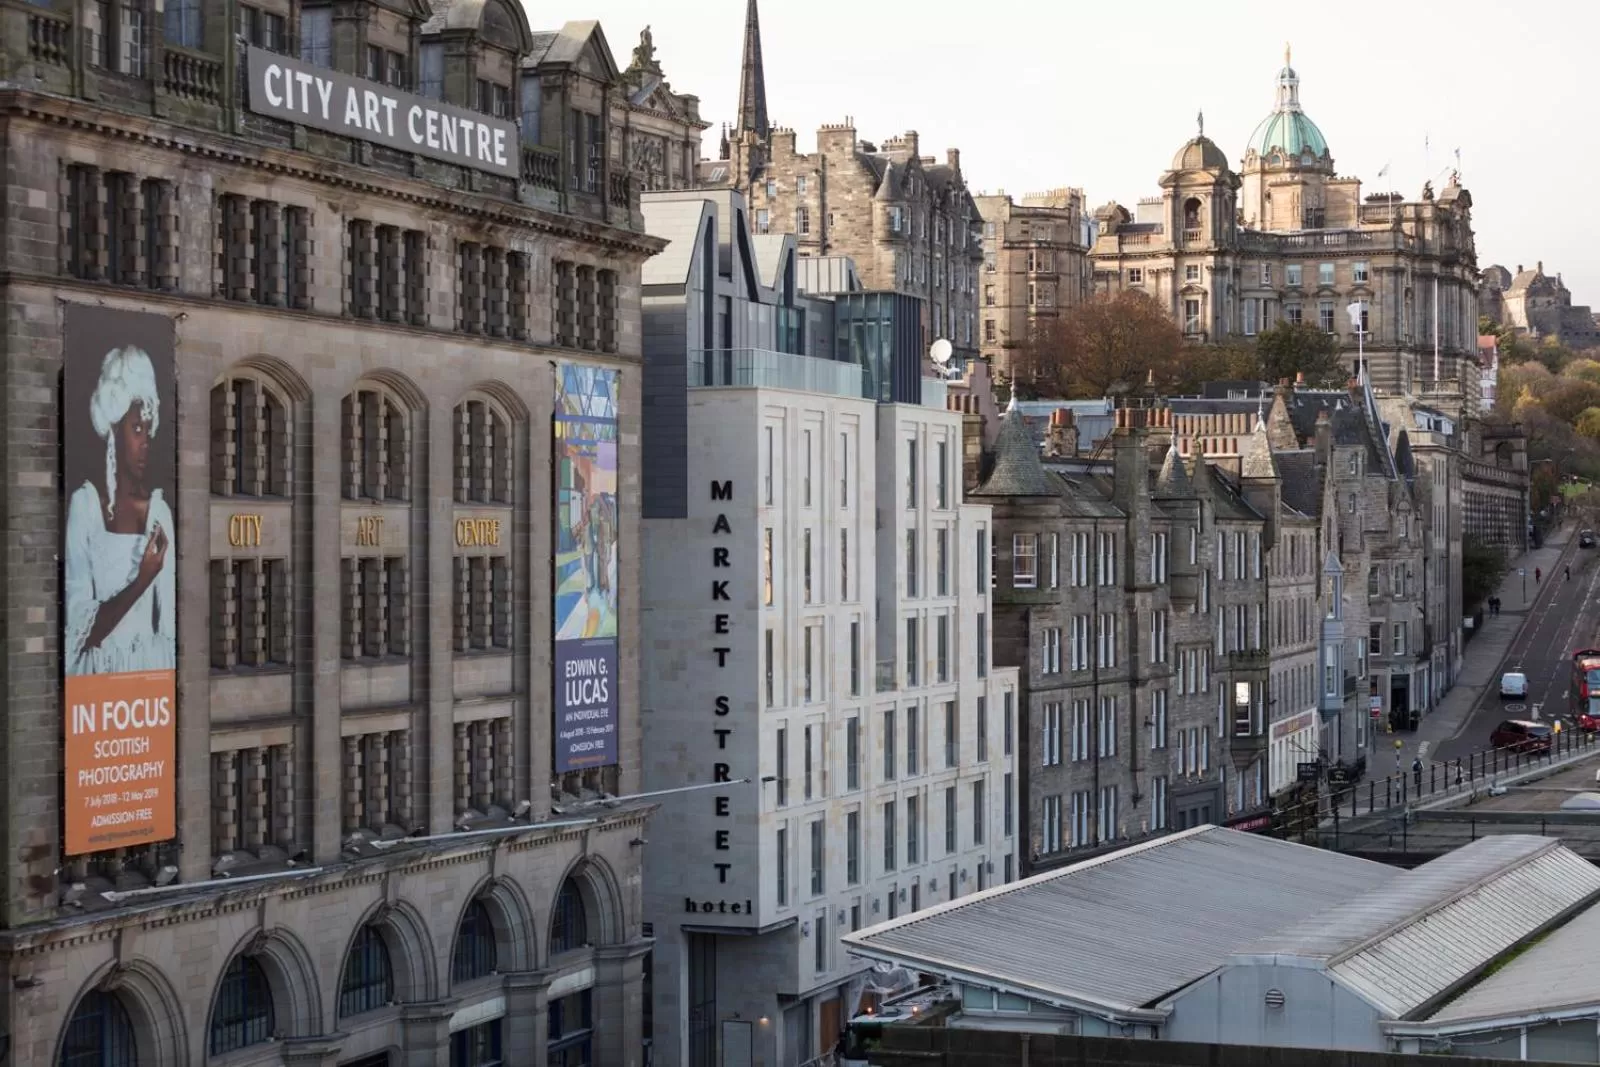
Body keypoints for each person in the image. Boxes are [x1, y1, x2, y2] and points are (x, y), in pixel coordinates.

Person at [65, 345, 175, 676]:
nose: (145, 443)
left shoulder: (159, 512)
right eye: (136, 429)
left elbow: (168, 628)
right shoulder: (84, 507)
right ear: (114, 429)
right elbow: (78, 633)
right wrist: (142, 579)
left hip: (148, 675)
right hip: (96, 678)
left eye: (148, 429)